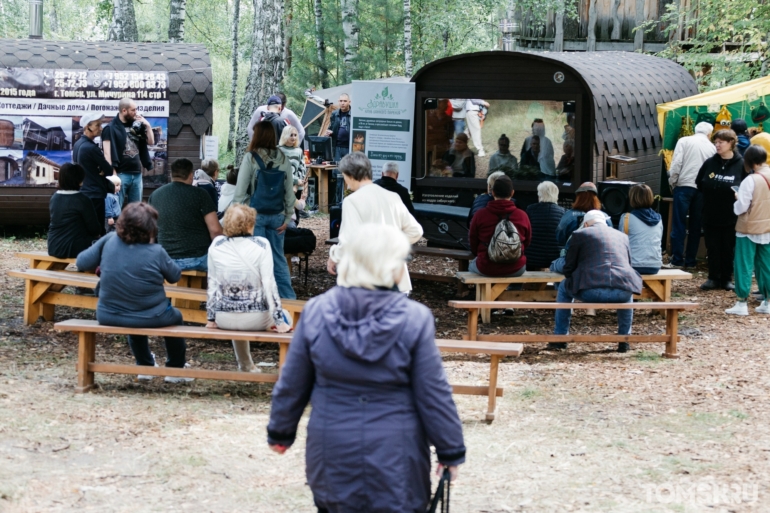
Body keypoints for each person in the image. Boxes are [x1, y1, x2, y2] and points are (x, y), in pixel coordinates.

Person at [267, 223, 465, 512]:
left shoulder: (317, 311)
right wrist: (450, 451)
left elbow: (293, 382)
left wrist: (281, 433)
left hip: (332, 446)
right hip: (397, 450)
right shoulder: (414, 318)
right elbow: (433, 393)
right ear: (393, 265)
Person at [75, 202, 191, 383]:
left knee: (132, 310)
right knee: (175, 316)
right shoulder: (156, 251)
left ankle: (144, 365)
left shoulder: (109, 240)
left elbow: (82, 262)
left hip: (109, 314)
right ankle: (175, 369)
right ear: (151, 228)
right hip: (153, 315)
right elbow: (175, 276)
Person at [206, 204, 292, 372]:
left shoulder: (216, 245)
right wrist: (280, 322)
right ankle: (289, 369)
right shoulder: (262, 244)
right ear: (250, 224)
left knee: (236, 310)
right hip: (255, 319)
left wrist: (211, 319)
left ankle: (246, 365)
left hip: (224, 318)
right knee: (288, 315)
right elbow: (269, 284)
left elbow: (212, 284)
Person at [327, 153, 423, 293]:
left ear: (350, 174)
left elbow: (348, 241)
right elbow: (416, 231)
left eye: (344, 176)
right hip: (396, 279)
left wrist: (334, 256)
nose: (346, 181)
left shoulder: (352, 201)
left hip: (366, 283)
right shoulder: (393, 197)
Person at [551, 209, 643, 353]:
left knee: (563, 287)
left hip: (591, 291)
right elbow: (628, 264)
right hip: (621, 293)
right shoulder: (622, 237)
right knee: (627, 289)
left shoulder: (579, 234)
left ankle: (560, 338)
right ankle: (624, 340)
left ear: (586, 224)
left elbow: (568, 268)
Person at [234, 121, 297, 300]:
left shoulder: (251, 158)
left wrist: (235, 217)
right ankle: (288, 300)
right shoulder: (283, 157)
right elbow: (289, 191)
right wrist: (287, 219)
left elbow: (240, 191)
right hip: (277, 216)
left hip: (256, 216)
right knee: (278, 259)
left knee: (255, 260)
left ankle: (256, 301)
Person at [148, 158, 222, 271]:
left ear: (171, 174)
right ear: (191, 175)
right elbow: (215, 231)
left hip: (166, 259)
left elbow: (150, 234)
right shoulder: (201, 194)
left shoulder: (155, 195)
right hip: (198, 259)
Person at [696, 129, 745, 290]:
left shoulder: (741, 164)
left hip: (731, 216)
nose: (717, 145)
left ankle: (726, 278)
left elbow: (747, 187)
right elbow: (699, 182)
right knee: (713, 246)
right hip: (710, 213)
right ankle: (713, 277)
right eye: (715, 142)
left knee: (727, 247)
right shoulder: (710, 162)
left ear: (731, 143)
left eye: (720, 142)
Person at [727, 145, 770, 315]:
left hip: (749, 227)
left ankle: (741, 302)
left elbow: (741, 207)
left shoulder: (750, 180)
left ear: (749, 160)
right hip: (768, 227)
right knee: (766, 265)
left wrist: (737, 198)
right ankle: (767, 301)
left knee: (743, 265)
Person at [667, 121, 716, 269]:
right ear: (710, 134)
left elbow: (676, 164)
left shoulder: (684, 141)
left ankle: (676, 259)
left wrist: (673, 182)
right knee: (695, 226)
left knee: (679, 224)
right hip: (701, 190)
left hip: (684, 186)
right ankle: (691, 261)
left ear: (695, 130)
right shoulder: (713, 147)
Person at [469, 175, 531, 277]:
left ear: (492, 192)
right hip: (516, 267)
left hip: (486, 266)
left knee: (471, 266)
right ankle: (514, 291)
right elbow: (527, 241)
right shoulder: (522, 215)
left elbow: (473, 241)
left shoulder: (480, 214)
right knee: (520, 270)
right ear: (512, 193)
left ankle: (482, 292)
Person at [102, 97, 155, 207]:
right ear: (124, 110)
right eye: (133, 110)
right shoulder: (110, 128)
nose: (136, 112)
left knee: (136, 211)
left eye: (136, 109)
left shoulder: (137, 126)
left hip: (136, 173)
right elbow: (107, 154)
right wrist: (114, 175)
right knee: (117, 207)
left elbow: (151, 142)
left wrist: (148, 126)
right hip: (121, 173)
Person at [551, 182, 612, 273]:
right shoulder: (605, 217)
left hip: (573, 261)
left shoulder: (568, 216)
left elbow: (559, 237)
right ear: (595, 198)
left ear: (578, 197)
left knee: (555, 264)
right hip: (599, 260)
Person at [47, 163, 102, 259]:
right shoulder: (82, 200)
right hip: (75, 248)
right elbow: (95, 229)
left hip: (53, 246)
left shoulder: (54, 197)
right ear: (79, 180)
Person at [72, 112, 115, 234]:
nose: (100, 128)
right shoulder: (91, 148)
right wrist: (101, 171)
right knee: (97, 229)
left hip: (83, 192)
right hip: (95, 194)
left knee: (85, 228)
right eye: (97, 125)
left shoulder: (78, 144)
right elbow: (108, 169)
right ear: (87, 126)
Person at [618, 184, 663, 275]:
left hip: (633, 265)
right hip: (655, 265)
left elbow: (620, 243)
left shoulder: (626, 218)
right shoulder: (659, 219)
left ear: (632, 198)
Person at [525, 181, 566, 271]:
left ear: (539, 195)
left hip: (532, 259)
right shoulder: (564, 212)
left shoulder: (531, 209)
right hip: (556, 258)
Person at [325, 93, 352, 161]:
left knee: (348, 169)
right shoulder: (334, 114)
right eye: (341, 101)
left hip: (349, 147)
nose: (342, 103)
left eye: (345, 101)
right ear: (338, 101)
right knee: (336, 169)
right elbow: (330, 128)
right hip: (337, 147)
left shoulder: (354, 113)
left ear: (349, 102)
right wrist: (328, 133)